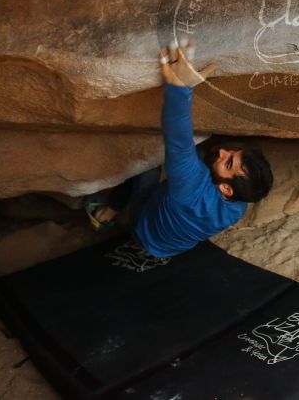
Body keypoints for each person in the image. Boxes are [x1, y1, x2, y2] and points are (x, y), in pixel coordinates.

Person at [85, 40, 273, 258]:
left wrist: (180, 88)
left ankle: (104, 214)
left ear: (226, 189)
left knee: (147, 169)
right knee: (202, 154)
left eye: (229, 163)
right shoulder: (237, 208)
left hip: (144, 234)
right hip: (175, 246)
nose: (223, 152)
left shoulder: (190, 188)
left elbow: (178, 136)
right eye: (232, 153)